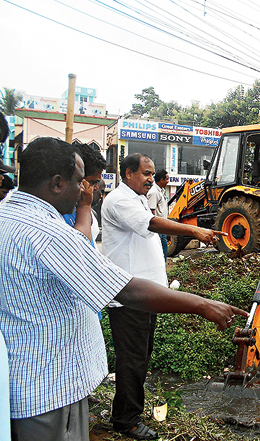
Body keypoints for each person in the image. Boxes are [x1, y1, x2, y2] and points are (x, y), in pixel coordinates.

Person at [0, 138, 247, 441]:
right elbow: (126, 290)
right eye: (81, 182)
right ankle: (126, 418)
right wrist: (202, 304)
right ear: (56, 183)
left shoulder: (7, 215)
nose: (86, 191)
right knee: (131, 362)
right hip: (48, 388)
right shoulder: (50, 233)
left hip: (24, 379)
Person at [102, 153, 244, 439]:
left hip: (147, 296)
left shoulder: (140, 197)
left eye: (152, 174)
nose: (150, 179)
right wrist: (194, 230)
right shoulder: (119, 200)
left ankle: (126, 413)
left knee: (140, 357)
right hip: (130, 297)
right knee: (132, 360)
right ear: (127, 174)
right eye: (145, 173)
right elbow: (152, 224)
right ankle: (126, 421)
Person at [147, 168, 170, 259]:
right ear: (161, 180)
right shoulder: (154, 192)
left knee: (164, 249)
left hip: (162, 226)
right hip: (158, 228)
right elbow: (151, 211)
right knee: (162, 250)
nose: (168, 181)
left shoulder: (161, 191)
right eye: (167, 179)